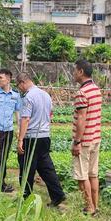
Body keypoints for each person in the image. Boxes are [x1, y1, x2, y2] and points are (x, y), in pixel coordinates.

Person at [16, 72, 66, 208]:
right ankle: (58, 194)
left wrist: (20, 140)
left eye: (19, 86)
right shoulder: (46, 95)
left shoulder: (28, 97)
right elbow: (50, 114)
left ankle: (26, 198)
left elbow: (25, 119)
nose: (19, 89)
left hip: (31, 137)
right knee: (46, 168)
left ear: (22, 83)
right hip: (45, 136)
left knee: (27, 168)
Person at [71, 59, 102, 216]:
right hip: (96, 138)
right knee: (93, 174)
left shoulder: (82, 93)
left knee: (82, 176)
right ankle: (95, 206)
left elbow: (81, 119)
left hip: (84, 141)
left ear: (81, 72)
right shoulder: (96, 89)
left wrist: (77, 141)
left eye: (75, 70)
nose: (74, 73)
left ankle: (89, 207)